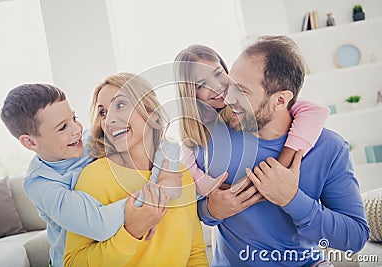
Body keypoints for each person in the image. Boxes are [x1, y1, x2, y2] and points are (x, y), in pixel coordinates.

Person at [196, 36, 369, 266]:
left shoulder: (329, 148)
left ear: (280, 99)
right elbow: (190, 211)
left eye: (242, 91)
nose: (228, 98)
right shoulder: (212, 139)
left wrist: (292, 199)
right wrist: (211, 210)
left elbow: (355, 237)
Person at [0, 84, 180, 267]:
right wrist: (156, 195)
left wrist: (165, 173)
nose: (77, 129)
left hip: (118, 252)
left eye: (74, 118)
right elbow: (99, 225)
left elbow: (162, 142)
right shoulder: (40, 184)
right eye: (62, 127)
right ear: (30, 142)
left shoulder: (88, 141)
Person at [64, 73, 208, 267]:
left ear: (152, 112)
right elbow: (73, 262)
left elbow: (195, 252)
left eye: (120, 105)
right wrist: (132, 232)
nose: (109, 120)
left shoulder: (181, 174)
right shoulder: (95, 177)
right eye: (103, 113)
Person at [174, 44, 330, 196]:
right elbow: (190, 166)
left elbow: (315, 111)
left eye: (217, 74)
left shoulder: (252, 100)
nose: (217, 87)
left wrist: (281, 164)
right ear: (190, 94)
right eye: (202, 85)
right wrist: (211, 189)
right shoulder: (198, 132)